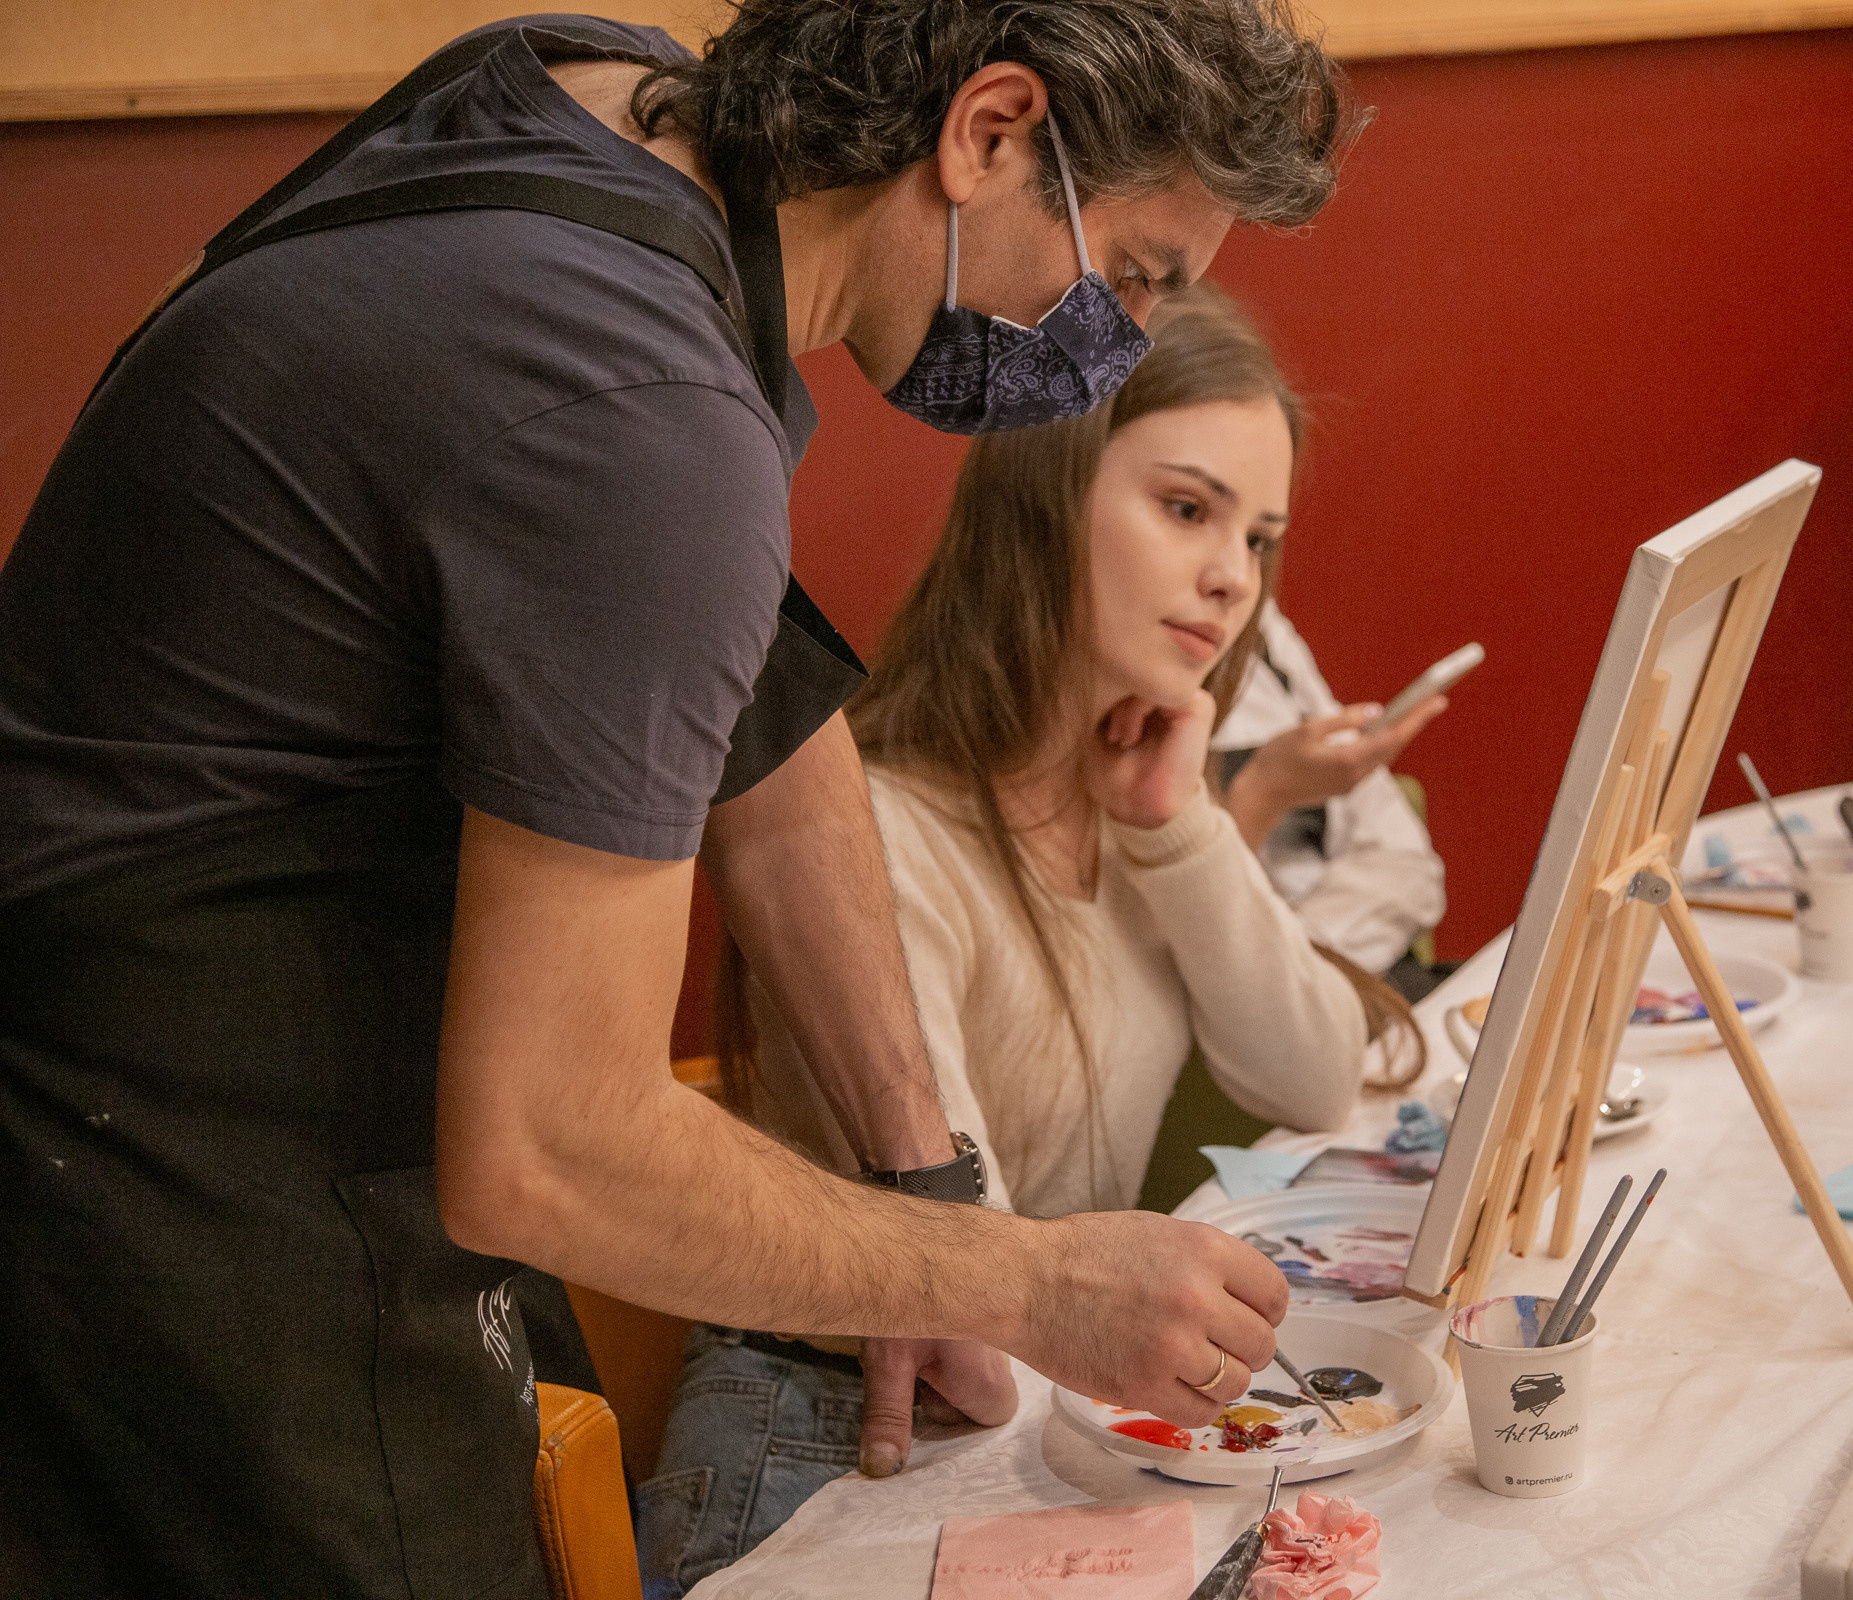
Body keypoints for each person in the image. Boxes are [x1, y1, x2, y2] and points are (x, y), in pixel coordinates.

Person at [0, 6, 1359, 1594]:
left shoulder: (600, 101)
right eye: (1131, 273)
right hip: (162, 1183)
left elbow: (766, 742)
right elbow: (549, 1147)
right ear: (988, 130)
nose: (1110, 340)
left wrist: (919, 1182)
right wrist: (1031, 1282)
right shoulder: (641, 408)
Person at [643, 286, 1413, 1588]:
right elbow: (975, 1291)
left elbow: (1317, 1074)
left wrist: (1179, 828)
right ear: (1048, 498)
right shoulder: (880, 832)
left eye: (1259, 536)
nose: (1233, 574)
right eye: (1186, 508)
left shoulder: (1130, 801)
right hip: (831, 1437)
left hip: (1027, 1400)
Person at [1214, 601, 1453, 995]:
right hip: (1276, 1023)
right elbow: (1205, 968)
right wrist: (1262, 794)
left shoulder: (1264, 632)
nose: (1234, 574)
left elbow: (1413, 869)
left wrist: (1299, 957)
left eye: (1257, 543)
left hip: (1357, 980)